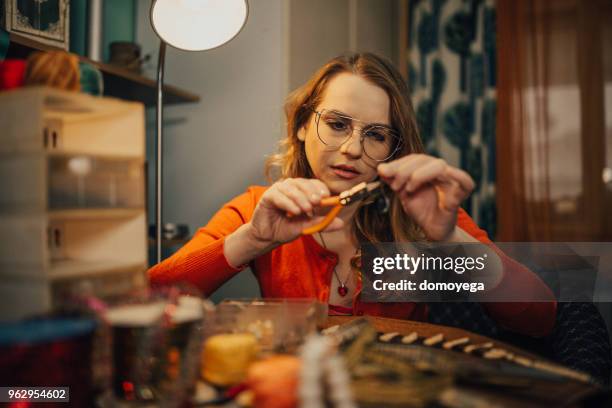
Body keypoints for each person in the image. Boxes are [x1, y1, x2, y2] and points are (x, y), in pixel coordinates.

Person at [148, 53, 556, 337]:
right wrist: (253, 240)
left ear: (394, 148)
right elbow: (149, 299)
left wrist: (450, 240)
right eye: (338, 124)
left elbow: (539, 319)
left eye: (376, 135)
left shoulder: (422, 213)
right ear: (303, 125)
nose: (353, 150)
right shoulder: (259, 208)